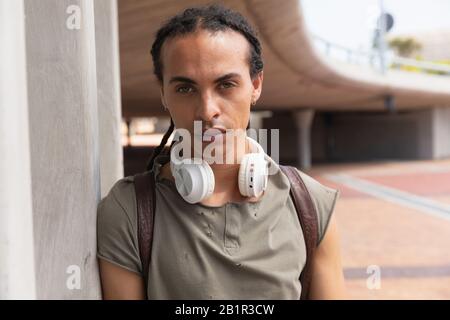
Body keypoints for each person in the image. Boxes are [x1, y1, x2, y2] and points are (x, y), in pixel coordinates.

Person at [97, 4, 346, 300]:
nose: (207, 110)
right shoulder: (128, 210)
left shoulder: (310, 205)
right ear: (163, 92)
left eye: (226, 84)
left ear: (255, 85)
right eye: (185, 89)